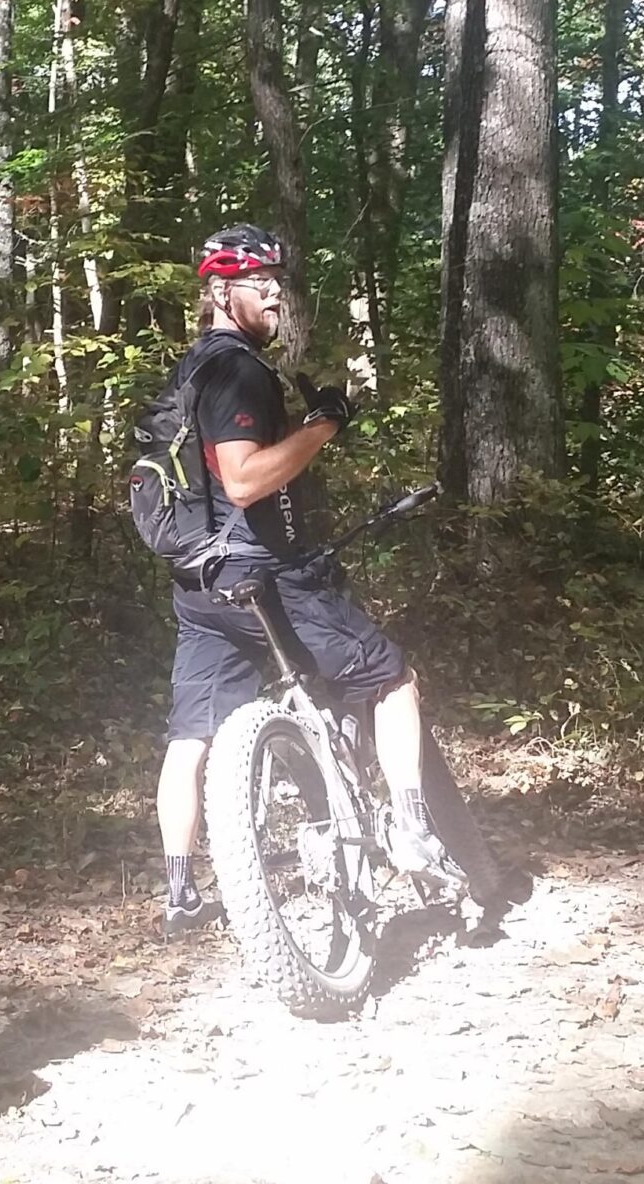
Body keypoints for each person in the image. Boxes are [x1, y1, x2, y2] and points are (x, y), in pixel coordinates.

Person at [154, 225, 456, 937]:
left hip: (201, 583)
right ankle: (412, 829)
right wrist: (323, 424)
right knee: (391, 679)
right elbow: (244, 479)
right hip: (263, 575)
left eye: (277, 285)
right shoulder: (238, 370)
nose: (275, 297)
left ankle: (180, 891)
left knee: (192, 736)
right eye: (260, 285)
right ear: (221, 292)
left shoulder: (189, 371)